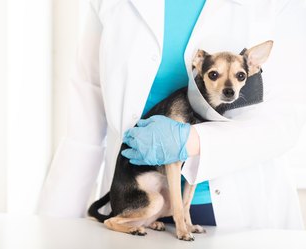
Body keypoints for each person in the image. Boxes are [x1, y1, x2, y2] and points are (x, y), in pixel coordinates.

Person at [38, 0, 306, 229]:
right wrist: (51, 229)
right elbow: (84, 124)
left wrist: (193, 141)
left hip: (241, 209)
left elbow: (287, 118)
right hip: (138, 199)